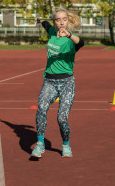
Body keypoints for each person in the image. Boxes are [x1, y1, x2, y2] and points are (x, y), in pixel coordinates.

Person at [31, 8, 84, 158]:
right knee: (41, 108)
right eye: (58, 19)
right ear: (55, 21)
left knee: (61, 118)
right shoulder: (52, 32)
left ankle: (66, 144)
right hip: (49, 81)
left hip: (67, 82)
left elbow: (81, 43)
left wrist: (69, 35)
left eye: (64, 19)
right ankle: (40, 143)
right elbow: (47, 25)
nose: (61, 22)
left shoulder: (71, 39)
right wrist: (40, 20)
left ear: (68, 20)